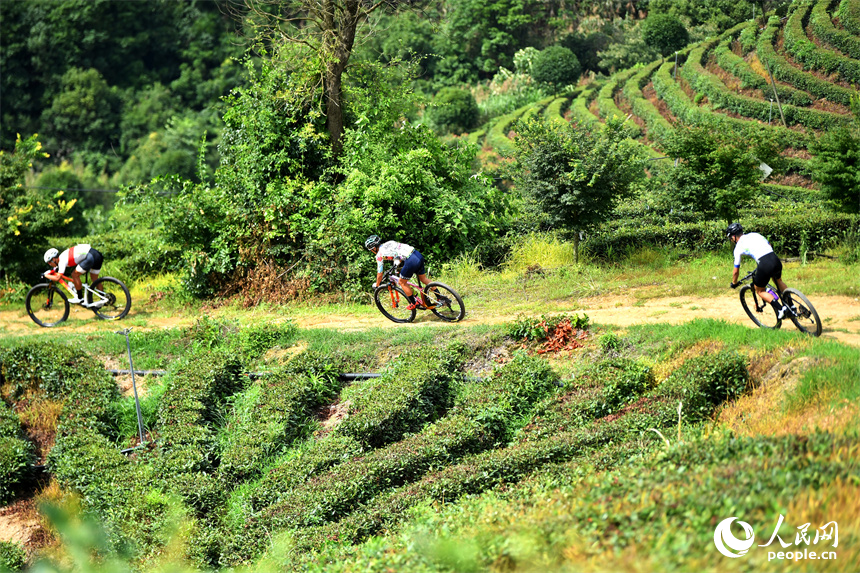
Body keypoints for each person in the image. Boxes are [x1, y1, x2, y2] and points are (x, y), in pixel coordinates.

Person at [726, 223, 791, 319]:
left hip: (764, 264)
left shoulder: (738, 248)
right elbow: (769, 244)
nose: (731, 240)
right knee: (779, 281)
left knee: (760, 291)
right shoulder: (754, 234)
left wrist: (734, 283)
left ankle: (781, 309)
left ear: (734, 236)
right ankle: (792, 306)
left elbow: (736, 271)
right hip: (775, 259)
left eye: (731, 238)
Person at [365, 235, 434, 310]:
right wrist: (397, 263)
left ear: (374, 248)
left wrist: (377, 285)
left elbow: (380, 273)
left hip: (410, 260)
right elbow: (399, 252)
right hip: (417, 254)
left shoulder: (379, 255)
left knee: (402, 282)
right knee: (423, 279)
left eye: (371, 250)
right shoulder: (389, 243)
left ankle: (414, 303)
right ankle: (440, 297)